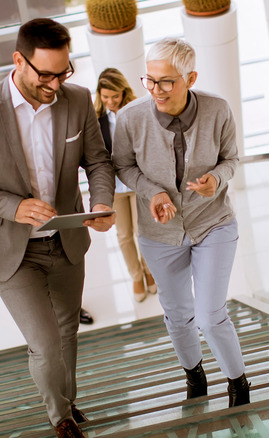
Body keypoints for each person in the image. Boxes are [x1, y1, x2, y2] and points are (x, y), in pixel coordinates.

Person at [0, 18, 115, 438]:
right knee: (46, 342)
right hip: (11, 250)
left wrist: (102, 201)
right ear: (19, 60)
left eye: (63, 72)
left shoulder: (76, 100)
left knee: (68, 330)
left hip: (67, 240)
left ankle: (68, 404)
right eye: (46, 74)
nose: (56, 84)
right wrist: (13, 207)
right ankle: (59, 418)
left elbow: (98, 161)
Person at [112, 38, 250, 407]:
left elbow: (231, 158)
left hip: (213, 224)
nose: (156, 90)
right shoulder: (130, 118)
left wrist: (216, 180)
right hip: (159, 234)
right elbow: (123, 166)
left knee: (209, 314)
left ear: (191, 77)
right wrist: (152, 192)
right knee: (177, 316)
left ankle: (238, 384)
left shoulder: (218, 109)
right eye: (149, 80)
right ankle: (195, 377)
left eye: (167, 82)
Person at [95, 68, 157, 302]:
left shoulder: (137, 113)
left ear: (124, 92)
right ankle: (135, 276)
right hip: (116, 188)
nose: (110, 102)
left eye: (115, 96)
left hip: (138, 182)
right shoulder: (96, 121)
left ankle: (149, 271)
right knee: (124, 235)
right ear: (99, 95)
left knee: (143, 232)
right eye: (105, 97)